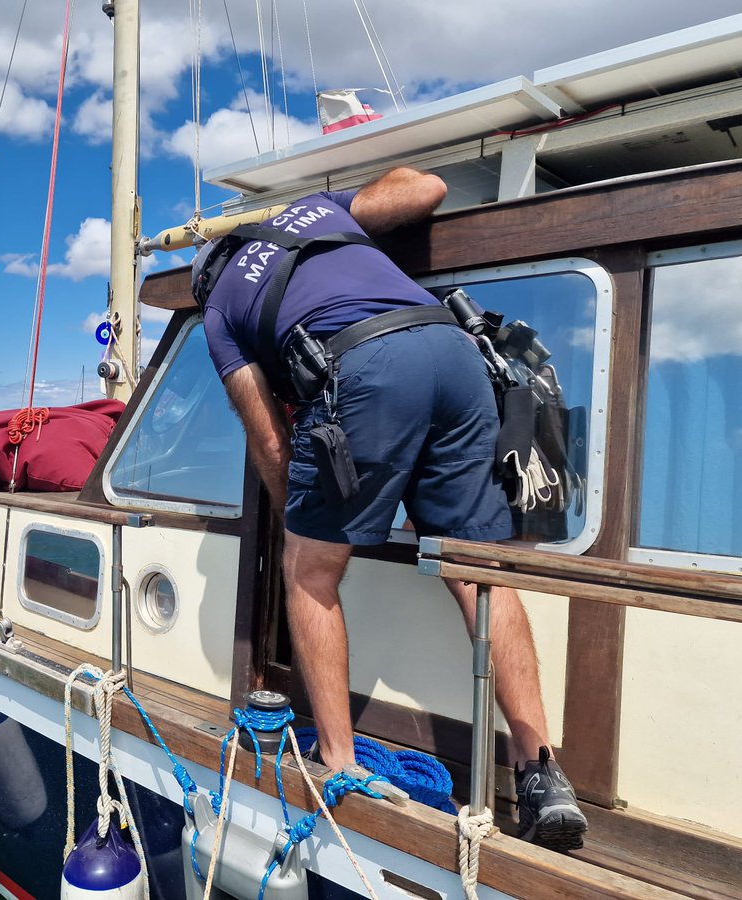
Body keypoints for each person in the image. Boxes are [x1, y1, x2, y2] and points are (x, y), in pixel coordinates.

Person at [192, 167, 588, 852]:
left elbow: (265, 435)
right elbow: (428, 187)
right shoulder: (314, 213)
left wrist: (311, 521)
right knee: (478, 573)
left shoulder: (222, 306)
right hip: (455, 355)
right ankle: (540, 770)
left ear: (208, 273)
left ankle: (339, 760)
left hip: (366, 368)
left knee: (310, 572)